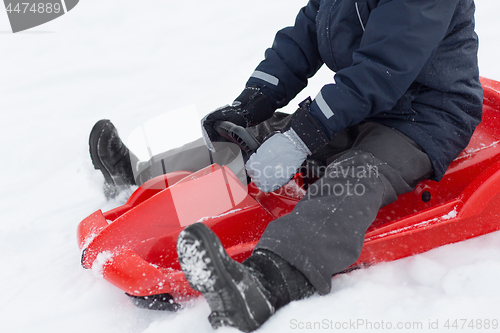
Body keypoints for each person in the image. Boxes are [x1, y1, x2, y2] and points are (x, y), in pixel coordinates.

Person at [89, 0, 482, 331]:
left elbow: (380, 70)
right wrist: (250, 105)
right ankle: (146, 177)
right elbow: (303, 38)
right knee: (262, 134)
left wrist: (303, 137)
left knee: (356, 176)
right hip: (366, 105)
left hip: (426, 118)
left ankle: (268, 280)